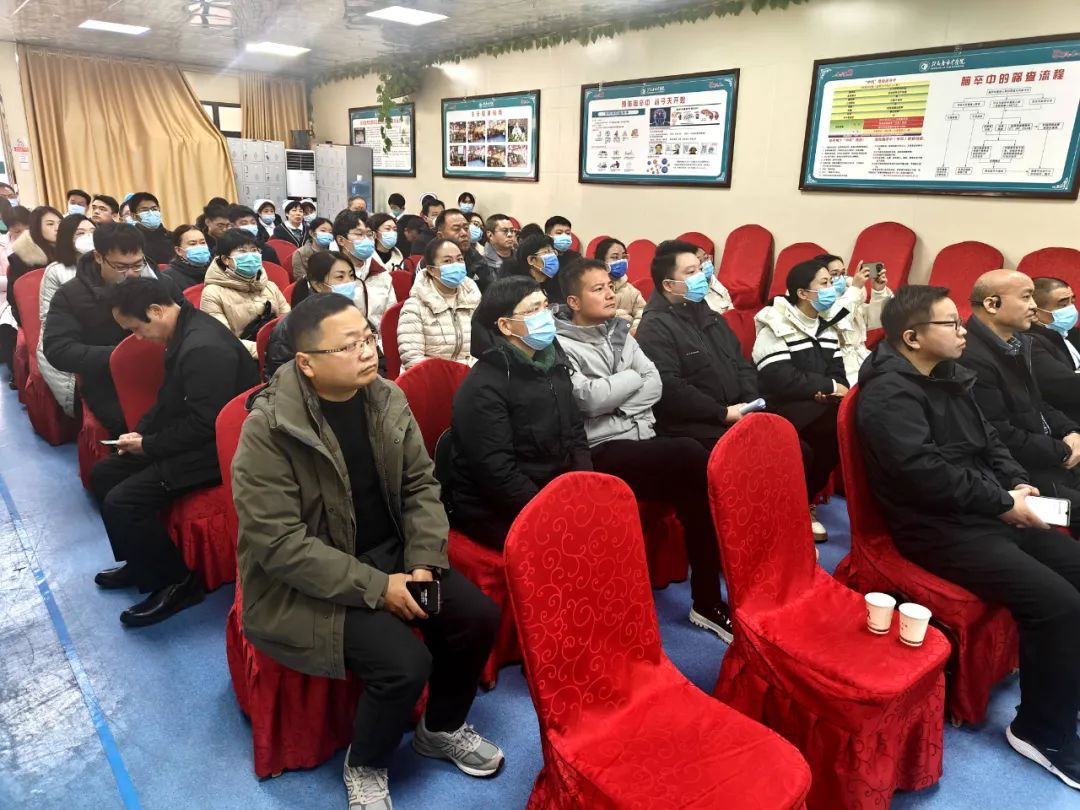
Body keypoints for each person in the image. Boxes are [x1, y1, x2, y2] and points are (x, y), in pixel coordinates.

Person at [232, 294, 503, 809]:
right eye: (348, 345)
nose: (367, 351)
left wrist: (422, 561)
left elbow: (421, 486)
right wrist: (380, 590)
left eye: (368, 337)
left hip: (393, 555)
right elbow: (280, 544)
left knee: (475, 617)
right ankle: (366, 764)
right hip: (313, 582)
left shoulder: (386, 398)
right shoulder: (268, 430)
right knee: (404, 663)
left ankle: (440, 728)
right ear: (306, 363)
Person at [858, 284, 1080, 789]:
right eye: (951, 325)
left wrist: (1015, 485)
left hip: (985, 510)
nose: (964, 332)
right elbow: (924, 476)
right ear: (912, 337)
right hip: (936, 527)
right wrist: (1003, 503)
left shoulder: (949, 373)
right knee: (1058, 604)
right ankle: (1040, 733)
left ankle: (1063, 690)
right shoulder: (888, 395)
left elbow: (990, 441)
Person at [554, 259, 732, 639]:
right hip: (600, 448)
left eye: (609, 286)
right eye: (598, 289)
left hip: (641, 438)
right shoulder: (560, 345)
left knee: (696, 488)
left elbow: (656, 384)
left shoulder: (620, 331)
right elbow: (587, 400)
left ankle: (706, 600)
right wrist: (632, 380)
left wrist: (618, 402)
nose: (609, 293)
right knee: (690, 454)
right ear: (573, 301)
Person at [91, 276, 258, 626]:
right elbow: (168, 398)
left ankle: (177, 584)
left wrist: (148, 445)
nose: (138, 338)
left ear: (155, 310)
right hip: (195, 437)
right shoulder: (182, 331)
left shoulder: (203, 348)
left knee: (123, 501)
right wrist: (141, 433)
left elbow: (206, 425)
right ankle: (141, 561)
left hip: (218, 451)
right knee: (104, 473)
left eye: (136, 329)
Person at [446, 276, 591, 549]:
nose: (545, 315)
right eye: (533, 310)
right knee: (570, 545)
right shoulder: (484, 385)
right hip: (495, 507)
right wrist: (551, 511)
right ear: (505, 325)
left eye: (546, 306)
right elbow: (497, 472)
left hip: (550, 489)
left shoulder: (553, 363)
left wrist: (582, 486)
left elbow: (575, 433)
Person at [960, 270, 1080, 531]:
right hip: (1025, 470)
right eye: (1026, 297)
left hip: (1050, 452)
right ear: (992, 304)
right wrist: (1062, 450)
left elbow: (1038, 403)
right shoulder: (971, 357)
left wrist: (1070, 431)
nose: (1034, 306)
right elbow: (1000, 434)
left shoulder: (1017, 343)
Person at [752, 259, 848, 542]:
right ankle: (797, 506)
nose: (832, 288)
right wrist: (827, 386)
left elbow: (839, 375)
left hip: (818, 406)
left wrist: (829, 391)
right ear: (803, 293)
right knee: (832, 428)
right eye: (825, 283)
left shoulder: (827, 326)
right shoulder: (774, 324)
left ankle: (803, 502)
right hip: (780, 407)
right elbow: (779, 378)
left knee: (843, 426)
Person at [636, 239, 759, 443]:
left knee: (794, 446)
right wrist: (722, 413)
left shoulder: (711, 316)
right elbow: (669, 387)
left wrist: (750, 403)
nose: (701, 276)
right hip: (694, 427)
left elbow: (742, 364)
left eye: (700, 269)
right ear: (668, 285)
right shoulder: (654, 327)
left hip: (738, 412)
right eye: (691, 272)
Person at [42, 224, 159, 436]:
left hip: (161, 368)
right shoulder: (70, 295)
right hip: (108, 381)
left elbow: (184, 320)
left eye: (137, 265)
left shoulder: (156, 282)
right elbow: (58, 349)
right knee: (138, 425)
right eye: (121, 267)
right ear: (98, 257)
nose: (131, 274)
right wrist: (120, 356)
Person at [264, 251, 360, 379]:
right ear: (318, 285)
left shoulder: (351, 312)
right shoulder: (293, 326)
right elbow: (284, 376)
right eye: (340, 277)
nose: (349, 282)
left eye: (351, 275)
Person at [37, 214, 96, 415]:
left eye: (93, 232)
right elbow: (49, 321)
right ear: (66, 239)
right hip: (70, 341)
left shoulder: (108, 264)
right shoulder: (56, 271)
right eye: (80, 233)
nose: (88, 237)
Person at [201, 229, 290, 358]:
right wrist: (266, 352)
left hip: (278, 353)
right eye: (242, 251)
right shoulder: (212, 293)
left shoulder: (270, 286)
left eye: (254, 250)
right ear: (225, 259)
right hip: (242, 357)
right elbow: (224, 338)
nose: (250, 255)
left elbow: (288, 322)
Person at [398, 238, 481, 370]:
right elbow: (412, 359)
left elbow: (484, 350)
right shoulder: (414, 307)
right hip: (429, 377)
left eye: (460, 259)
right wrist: (454, 374)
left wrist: (471, 373)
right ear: (431, 270)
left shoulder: (474, 299)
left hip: (470, 375)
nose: (456, 265)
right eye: (447, 261)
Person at [817, 253, 893, 381]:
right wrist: (856, 288)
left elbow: (877, 319)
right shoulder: (818, 302)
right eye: (834, 274)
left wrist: (879, 291)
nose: (841, 278)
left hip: (862, 357)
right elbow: (839, 320)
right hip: (840, 366)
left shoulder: (850, 296)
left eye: (843, 273)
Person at [333, 210, 396, 334]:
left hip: (378, 340)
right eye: (359, 234)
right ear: (341, 240)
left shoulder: (381, 273)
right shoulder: (332, 275)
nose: (367, 240)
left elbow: (391, 316)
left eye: (369, 234)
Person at [1030, 277, 1080, 423]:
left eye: (1072, 301)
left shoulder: (1071, 332)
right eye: (1063, 304)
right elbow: (1068, 387)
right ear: (1035, 312)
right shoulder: (1030, 342)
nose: (1071, 309)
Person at [6, 205, 61, 325]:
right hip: (40, 321)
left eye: (60, 223)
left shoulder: (73, 252)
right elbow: (15, 299)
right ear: (36, 227)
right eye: (50, 224)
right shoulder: (21, 258)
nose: (57, 228)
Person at [594, 237, 645, 332]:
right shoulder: (591, 289)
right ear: (601, 261)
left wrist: (631, 330)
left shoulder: (632, 292)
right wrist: (621, 316)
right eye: (615, 257)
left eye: (624, 257)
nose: (622, 261)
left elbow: (643, 315)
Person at [435, 208, 490, 292]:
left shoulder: (478, 261)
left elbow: (488, 293)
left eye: (466, 228)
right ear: (440, 236)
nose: (464, 233)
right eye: (456, 229)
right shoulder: (430, 261)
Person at [503, 233, 561, 303]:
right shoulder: (519, 290)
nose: (553, 256)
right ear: (531, 260)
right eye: (546, 252)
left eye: (553, 252)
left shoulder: (557, 281)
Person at [161, 225, 212, 292]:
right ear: (178, 250)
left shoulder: (216, 269)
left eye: (202, 243)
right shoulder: (169, 278)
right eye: (192, 244)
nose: (199, 247)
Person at [128, 192, 173, 266]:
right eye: (144, 210)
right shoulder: (130, 241)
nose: (151, 213)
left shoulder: (173, 237)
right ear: (133, 216)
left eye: (154, 209)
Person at [292, 216, 335, 280]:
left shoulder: (333, 253)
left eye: (330, 232)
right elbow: (300, 278)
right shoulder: (300, 253)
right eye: (323, 231)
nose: (327, 234)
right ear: (312, 233)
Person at [695, 245, 732, 315]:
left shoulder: (711, 278)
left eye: (706, 258)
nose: (705, 264)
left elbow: (726, 297)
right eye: (700, 261)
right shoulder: (693, 292)